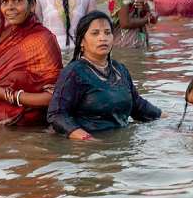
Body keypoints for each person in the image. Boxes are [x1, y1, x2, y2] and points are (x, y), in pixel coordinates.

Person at [47, 10, 161, 140]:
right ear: (81, 41)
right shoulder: (74, 73)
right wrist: (87, 139)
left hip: (120, 143)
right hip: (88, 147)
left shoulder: (120, 70)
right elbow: (57, 115)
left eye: (107, 33)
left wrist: (167, 120)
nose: (103, 38)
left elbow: (137, 106)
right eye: (95, 33)